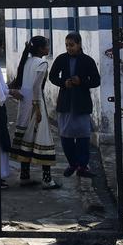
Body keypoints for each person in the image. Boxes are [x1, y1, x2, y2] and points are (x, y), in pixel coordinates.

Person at [9, 35, 59, 189]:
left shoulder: (27, 61)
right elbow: (37, 87)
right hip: (35, 104)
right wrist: (38, 108)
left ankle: (24, 176)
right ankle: (47, 179)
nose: (48, 48)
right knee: (43, 138)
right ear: (40, 49)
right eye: (47, 46)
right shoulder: (42, 62)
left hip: (24, 104)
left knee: (25, 137)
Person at [49, 31, 102, 178]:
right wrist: (63, 83)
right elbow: (52, 76)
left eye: (71, 45)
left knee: (83, 136)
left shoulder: (87, 61)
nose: (69, 48)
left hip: (81, 103)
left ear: (79, 44)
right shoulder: (61, 59)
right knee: (66, 136)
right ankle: (72, 163)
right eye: (67, 45)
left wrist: (82, 82)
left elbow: (96, 81)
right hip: (66, 102)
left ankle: (82, 167)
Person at [0, 39, 12, 188]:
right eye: (1, 47)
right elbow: (1, 94)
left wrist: (9, 91)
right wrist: (9, 93)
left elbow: (4, 90)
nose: (2, 50)